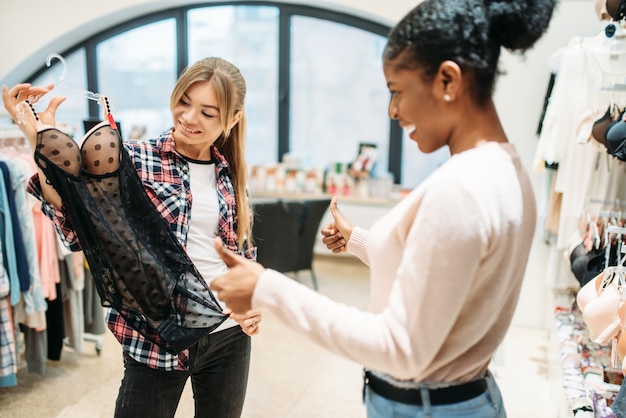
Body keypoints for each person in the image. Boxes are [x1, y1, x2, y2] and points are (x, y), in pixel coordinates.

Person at [210, 1, 556, 417]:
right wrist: (359, 240)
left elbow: (401, 348)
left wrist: (266, 287)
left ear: (448, 79)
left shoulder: (460, 191)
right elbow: (450, 273)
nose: (393, 111)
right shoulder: (508, 171)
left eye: (397, 91)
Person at [2, 57, 261, 418]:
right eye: (184, 102)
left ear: (232, 119)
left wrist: (252, 299)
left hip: (229, 336)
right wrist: (37, 138)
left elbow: (241, 253)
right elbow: (77, 225)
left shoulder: (230, 174)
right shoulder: (134, 160)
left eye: (207, 112)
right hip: (158, 339)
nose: (188, 117)